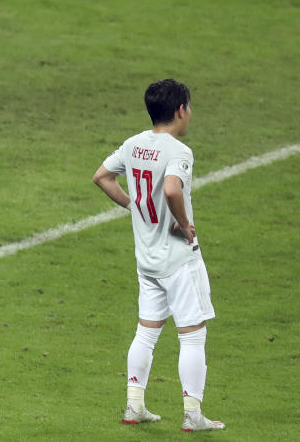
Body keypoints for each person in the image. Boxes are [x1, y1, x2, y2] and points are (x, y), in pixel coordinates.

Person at [92, 79, 225, 431]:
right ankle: (193, 414)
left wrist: (132, 205)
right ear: (180, 110)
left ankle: (134, 406)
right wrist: (183, 223)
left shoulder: (134, 144)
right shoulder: (178, 152)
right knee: (193, 335)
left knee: (147, 332)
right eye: (189, 107)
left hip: (146, 259)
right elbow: (170, 189)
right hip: (179, 260)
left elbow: (102, 176)